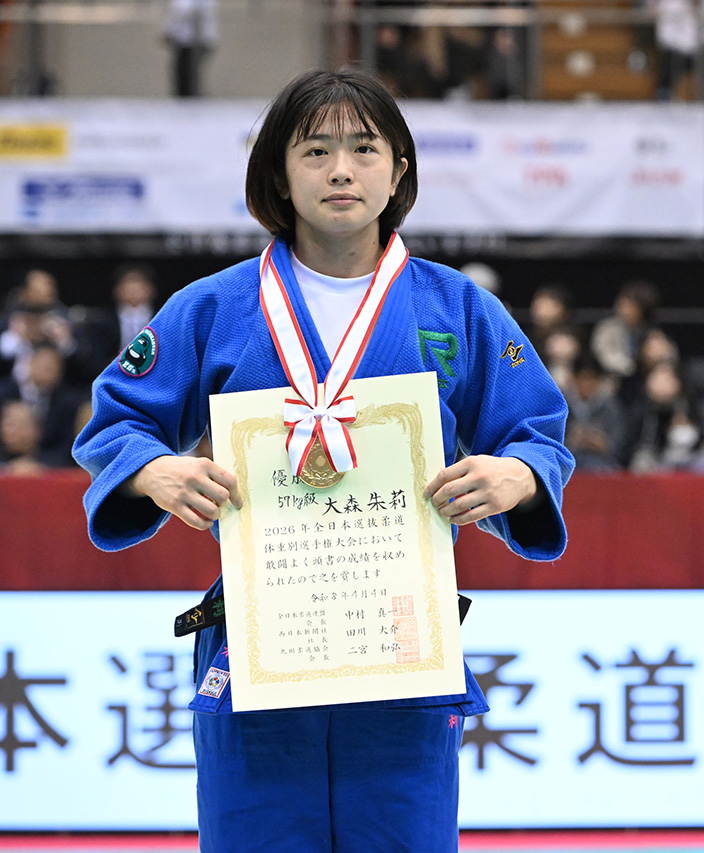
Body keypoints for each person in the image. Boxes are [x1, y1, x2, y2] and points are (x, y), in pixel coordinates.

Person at [72, 68, 573, 852]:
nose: (342, 169)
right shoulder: (212, 307)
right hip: (259, 646)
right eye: (316, 150)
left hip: (402, 643)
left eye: (365, 148)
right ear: (279, 170)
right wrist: (147, 470)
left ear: (399, 169)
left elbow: (537, 429)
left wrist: (522, 475)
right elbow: (117, 417)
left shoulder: (459, 307)